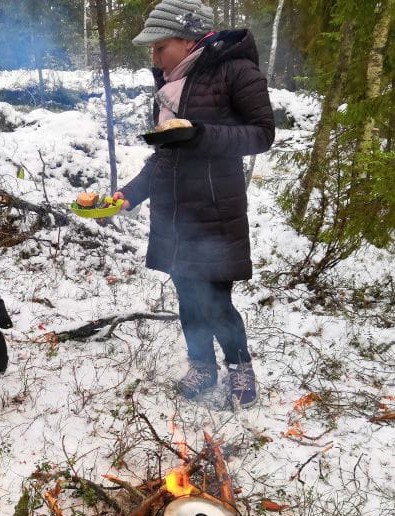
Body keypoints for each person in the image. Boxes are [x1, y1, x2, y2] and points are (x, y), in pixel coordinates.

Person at [112, 0, 275, 408]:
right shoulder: (169, 87)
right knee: (187, 295)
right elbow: (166, 154)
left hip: (215, 211)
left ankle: (240, 368)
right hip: (174, 215)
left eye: (159, 47)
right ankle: (202, 363)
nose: (154, 56)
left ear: (187, 40)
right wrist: (129, 193)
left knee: (216, 300)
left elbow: (261, 134)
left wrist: (199, 134)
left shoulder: (236, 70)